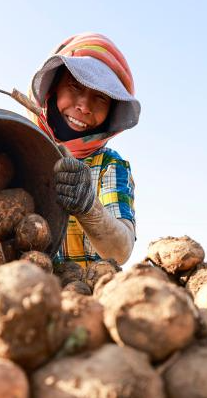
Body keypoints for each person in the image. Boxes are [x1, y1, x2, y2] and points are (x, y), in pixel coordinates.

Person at [29, 33, 140, 268]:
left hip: (89, 297)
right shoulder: (23, 144)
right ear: (53, 88)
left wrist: (89, 207)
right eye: (75, 86)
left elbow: (121, 250)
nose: (84, 106)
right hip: (24, 294)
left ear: (112, 112)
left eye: (100, 97)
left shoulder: (109, 165)